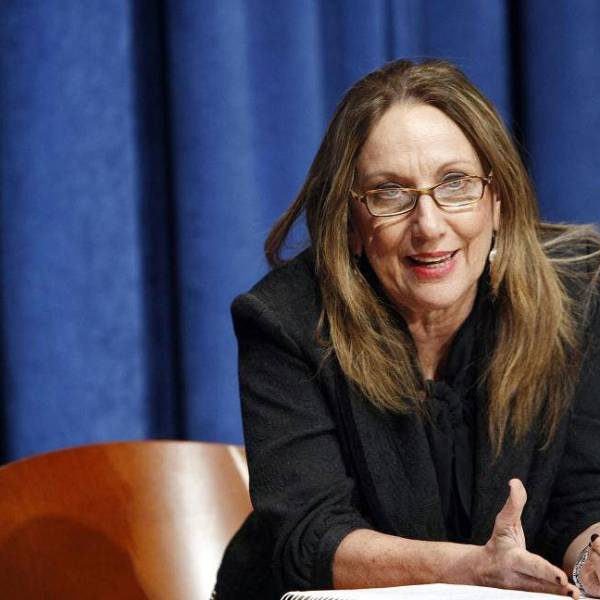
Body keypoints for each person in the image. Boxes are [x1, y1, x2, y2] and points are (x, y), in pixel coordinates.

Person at [215, 59, 600, 599]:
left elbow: (581, 500)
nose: (429, 225)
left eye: (455, 183)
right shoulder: (285, 320)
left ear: (498, 200)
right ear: (350, 223)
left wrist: (592, 556)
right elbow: (311, 538)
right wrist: (471, 569)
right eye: (389, 193)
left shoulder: (575, 294)